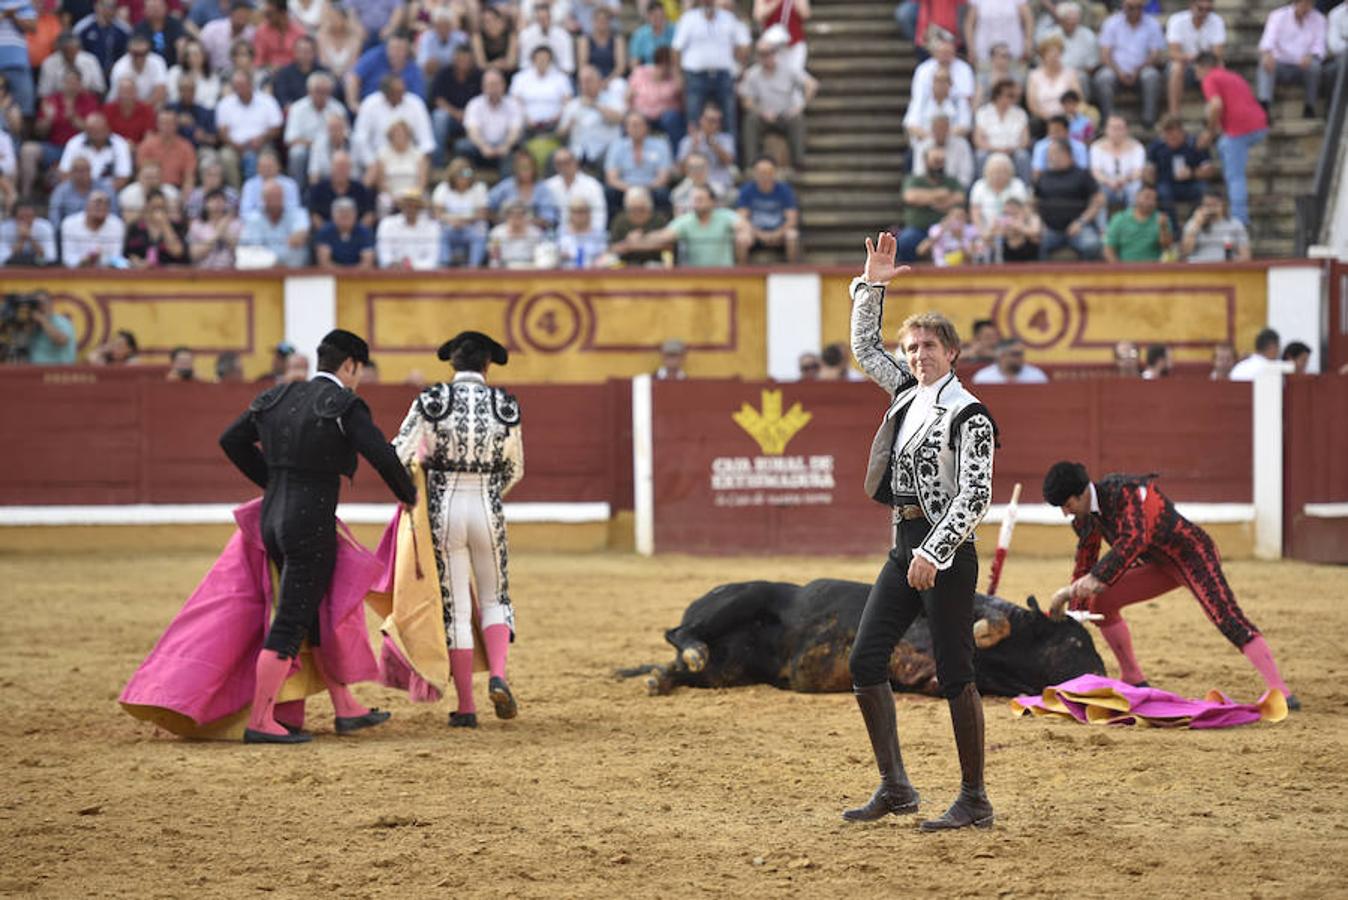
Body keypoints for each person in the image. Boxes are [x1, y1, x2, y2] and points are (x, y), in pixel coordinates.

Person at [844, 231, 997, 831]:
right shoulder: (907, 393)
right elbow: (862, 347)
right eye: (910, 348)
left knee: (956, 673)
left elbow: (975, 493)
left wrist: (935, 550)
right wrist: (872, 286)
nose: (916, 356)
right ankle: (896, 787)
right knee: (864, 660)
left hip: (948, 552)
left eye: (928, 346)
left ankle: (975, 799)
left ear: (952, 352)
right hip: (902, 546)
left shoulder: (971, 414)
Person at [219, 329, 418, 743]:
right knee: (294, 616)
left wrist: (271, 482)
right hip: (309, 523)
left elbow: (232, 440)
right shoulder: (343, 404)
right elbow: (381, 454)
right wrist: (410, 495)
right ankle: (261, 720)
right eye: (358, 371)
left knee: (311, 613)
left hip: (272, 519)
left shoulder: (278, 396)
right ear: (351, 365)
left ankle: (346, 708)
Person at [1042, 461, 1298, 709]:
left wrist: (1097, 577)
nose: (1066, 513)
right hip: (1157, 565)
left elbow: (1134, 539)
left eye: (1067, 505)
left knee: (1225, 615)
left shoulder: (1125, 492)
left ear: (1083, 491)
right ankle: (1133, 676)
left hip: (1191, 555)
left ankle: (1280, 690)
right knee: (1102, 602)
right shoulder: (1085, 518)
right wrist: (1074, 611)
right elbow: (1085, 561)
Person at [392, 331, 523, 728]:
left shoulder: (432, 401)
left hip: (444, 507)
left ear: (452, 365)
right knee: (494, 596)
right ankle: (498, 673)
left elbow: (398, 452)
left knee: (457, 609)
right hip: (486, 506)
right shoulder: (505, 404)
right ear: (487, 366)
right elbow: (514, 468)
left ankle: (466, 707)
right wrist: (488, 491)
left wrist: (423, 480)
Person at [1193, 53, 1266, 228]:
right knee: (1223, 146)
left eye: (1196, 70)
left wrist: (1209, 132)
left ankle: (1239, 220)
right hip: (1258, 123)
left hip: (1239, 129)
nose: (1195, 74)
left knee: (1235, 176)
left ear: (1203, 67)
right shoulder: (1232, 76)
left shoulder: (1209, 79)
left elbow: (1216, 105)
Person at [672, 0, 751, 136]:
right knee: (694, 119)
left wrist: (741, 67)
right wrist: (678, 75)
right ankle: (693, 154)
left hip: (723, 76)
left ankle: (730, 154)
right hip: (695, 76)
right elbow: (676, 48)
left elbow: (743, 44)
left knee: (728, 119)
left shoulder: (728, 18)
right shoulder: (689, 18)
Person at [1093, 0, 1166, 128]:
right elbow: (1105, 55)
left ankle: (1149, 119)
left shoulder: (1152, 24)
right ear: (1123, 6)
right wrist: (1119, 72)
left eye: (1137, 7)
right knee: (1103, 77)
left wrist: (1138, 69)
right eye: (1130, 7)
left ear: (1142, 8)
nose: (1133, 11)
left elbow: (1155, 54)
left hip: (1142, 69)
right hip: (1115, 70)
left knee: (1151, 76)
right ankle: (1108, 120)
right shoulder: (1112, 23)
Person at [1037, 138, 1105, 259]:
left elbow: (1098, 201)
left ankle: (1088, 276)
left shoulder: (1082, 174)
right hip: (1050, 229)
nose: (1049, 157)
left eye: (1053, 153)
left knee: (1092, 245)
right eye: (1049, 154)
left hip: (1079, 228)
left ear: (1066, 153)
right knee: (1033, 243)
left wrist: (1081, 222)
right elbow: (1033, 202)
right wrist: (1038, 222)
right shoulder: (1043, 176)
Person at [1257, 0, 1326, 118]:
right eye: (1304, 3)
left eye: (1310, 4)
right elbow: (1268, 40)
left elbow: (1319, 46)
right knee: (1265, 63)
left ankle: (1309, 107)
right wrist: (1267, 54)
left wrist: (1311, 56)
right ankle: (1265, 105)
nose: (1307, 7)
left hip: (1303, 66)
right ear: (1296, 2)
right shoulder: (1278, 16)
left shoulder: (1319, 19)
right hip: (1280, 64)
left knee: (1315, 66)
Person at [647, 184, 745, 266]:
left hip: (724, 274)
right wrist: (644, 236)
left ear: (712, 202)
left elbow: (744, 228)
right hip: (695, 276)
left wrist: (742, 234)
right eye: (694, 200)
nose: (696, 204)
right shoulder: (686, 220)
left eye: (700, 200)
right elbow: (665, 236)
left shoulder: (725, 215)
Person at [896, 145, 965, 261]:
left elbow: (960, 198)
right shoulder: (914, 180)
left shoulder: (951, 181)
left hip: (946, 230)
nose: (939, 165)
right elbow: (910, 197)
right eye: (935, 161)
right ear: (925, 161)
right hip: (919, 229)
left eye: (942, 161)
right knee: (904, 241)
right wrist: (939, 195)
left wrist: (924, 199)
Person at [1146, 115, 1214, 229]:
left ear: (1182, 132)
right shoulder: (1156, 147)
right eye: (1167, 135)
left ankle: (1193, 225)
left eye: (1174, 135)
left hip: (1191, 184)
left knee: (1203, 190)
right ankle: (1173, 229)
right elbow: (1149, 172)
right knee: (1162, 192)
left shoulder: (1195, 144)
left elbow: (1209, 171)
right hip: (1167, 184)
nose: (1171, 138)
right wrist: (1150, 174)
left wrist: (1192, 173)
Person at [1165, 0, 1226, 118]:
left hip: (1206, 65)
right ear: (1191, 6)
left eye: (1208, 9)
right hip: (1186, 65)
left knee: (1220, 66)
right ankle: (1174, 113)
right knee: (1176, 67)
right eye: (1200, 8)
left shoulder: (1217, 21)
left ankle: (1217, 112)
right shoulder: (1177, 20)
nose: (1204, 13)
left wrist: (1201, 63)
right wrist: (1192, 58)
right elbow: (1173, 53)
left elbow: (1217, 54)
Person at [735, 156, 798, 262]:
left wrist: (777, 233)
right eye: (761, 172)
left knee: (792, 236)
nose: (764, 176)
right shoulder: (746, 190)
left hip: (779, 231)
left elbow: (792, 219)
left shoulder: (785, 190)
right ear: (755, 173)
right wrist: (759, 234)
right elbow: (741, 218)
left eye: (768, 172)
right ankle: (742, 272)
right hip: (754, 232)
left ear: (775, 173)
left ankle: (792, 271)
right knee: (741, 238)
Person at [1090, 114, 1145, 211]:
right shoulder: (1096, 147)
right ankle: (1102, 226)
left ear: (1126, 130)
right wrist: (1109, 181)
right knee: (1097, 191)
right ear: (1106, 129)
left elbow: (1138, 172)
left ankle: (1130, 222)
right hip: (1106, 184)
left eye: (1119, 128)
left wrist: (1124, 180)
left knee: (1135, 188)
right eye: (1112, 128)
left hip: (1128, 183)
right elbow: (1096, 172)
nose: (1116, 132)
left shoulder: (1137, 147)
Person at [376, 187, 440, 269]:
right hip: (393, 275)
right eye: (407, 205)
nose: (411, 208)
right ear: (401, 206)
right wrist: (395, 265)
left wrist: (411, 266)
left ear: (420, 208)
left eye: (415, 205)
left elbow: (433, 260)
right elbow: (384, 256)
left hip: (422, 277)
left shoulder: (432, 227)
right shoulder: (387, 224)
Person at [1103, 185, 1171, 262]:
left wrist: (1163, 228)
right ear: (1137, 197)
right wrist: (1118, 270)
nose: (1150, 202)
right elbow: (1108, 250)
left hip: (1153, 270)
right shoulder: (1120, 219)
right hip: (1126, 269)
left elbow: (1167, 248)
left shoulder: (1162, 219)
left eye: (1154, 199)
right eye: (1147, 197)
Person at [1180, 188, 1250, 262]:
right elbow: (1185, 253)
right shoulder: (1193, 223)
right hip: (1199, 267)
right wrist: (1196, 225)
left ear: (1223, 205)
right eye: (1207, 205)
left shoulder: (1236, 224)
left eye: (1215, 204)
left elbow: (1245, 256)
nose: (1211, 208)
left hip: (1226, 268)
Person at [60, 188, 125, 266]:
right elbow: (67, 258)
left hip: (107, 274)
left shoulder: (117, 224)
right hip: (76, 274)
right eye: (97, 203)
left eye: (106, 204)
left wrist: (101, 258)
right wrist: (85, 260)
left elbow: (116, 257)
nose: (102, 206)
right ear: (86, 206)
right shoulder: (69, 223)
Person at [910, 113, 975, 189]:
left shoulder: (962, 144)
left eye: (943, 128)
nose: (940, 131)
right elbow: (918, 173)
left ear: (949, 128)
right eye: (937, 128)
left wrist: (953, 188)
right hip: (927, 188)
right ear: (932, 129)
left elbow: (966, 176)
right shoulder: (922, 145)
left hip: (955, 188)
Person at [315, 195, 375, 267]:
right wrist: (342, 274)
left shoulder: (364, 232)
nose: (345, 215)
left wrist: (350, 275)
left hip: (359, 276)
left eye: (348, 213)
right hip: (331, 275)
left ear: (355, 215)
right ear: (333, 215)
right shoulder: (325, 231)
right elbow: (324, 262)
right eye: (341, 214)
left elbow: (367, 263)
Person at [918, 204, 982, 266]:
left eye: (961, 217)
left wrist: (959, 238)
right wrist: (941, 232)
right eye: (955, 216)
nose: (958, 220)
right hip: (941, 267)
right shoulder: (937, 229)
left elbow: (972, 258)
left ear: (966, 218)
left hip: (963, 269)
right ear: (948, 217)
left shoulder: (971, 230)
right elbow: (921, 251)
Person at [0, 199, 58, 266]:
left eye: (29, 216)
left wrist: (31, 238)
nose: (25, 220)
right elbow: (2, 259)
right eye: (21, 217)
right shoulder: (4, 228)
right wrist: (21, 240)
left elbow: (50, 257)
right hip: (12, 269)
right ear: (14, 217)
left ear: (35, 216)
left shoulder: (45, 227)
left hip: (38, 268)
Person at [1030, 113, 1087, 180]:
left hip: (1074, 183)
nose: (1054, 135)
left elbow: (1083, 170)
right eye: (1051, 131)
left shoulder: (1079, 147)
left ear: (1066, 131)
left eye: (1057, 131)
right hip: (1049, 183)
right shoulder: (1040, 146)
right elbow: (1037, 172)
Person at [972, 337, 1048, 383]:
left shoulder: (1036, 376)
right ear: (1001, 356)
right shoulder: (984, 378)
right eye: (1015, 354)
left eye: (1021, 354)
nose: (1020, 358)